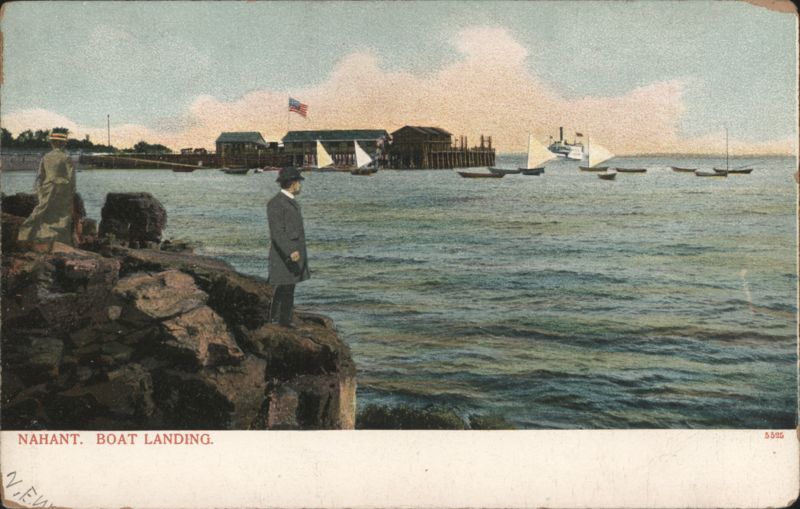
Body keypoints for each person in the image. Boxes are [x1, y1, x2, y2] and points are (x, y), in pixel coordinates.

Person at [17, 127, 77, 251]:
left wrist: (40, 192)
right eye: (63, 142)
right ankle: (57, 241)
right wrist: (70, 193)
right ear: (62, 143)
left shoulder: (46, 157)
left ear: (52, 143)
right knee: (60, 215)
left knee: (42, 212)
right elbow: (71, 179)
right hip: (61, 189)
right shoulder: (66, 158)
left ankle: (27, 235)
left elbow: (40, 176)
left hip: (47, 187)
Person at [267, 167, 310, 328]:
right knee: (283, 286)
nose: (300, 185)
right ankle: (276, 320)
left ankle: (284, 320)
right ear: (292, 183)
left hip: (291, 252)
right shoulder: (276, 203)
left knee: (289, 285)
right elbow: (277, 233)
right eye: (298, 182)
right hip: (284, 254)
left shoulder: (289, 201)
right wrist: (290, 251)